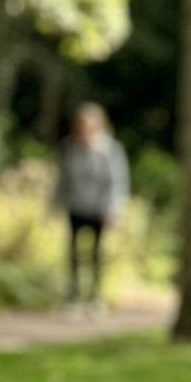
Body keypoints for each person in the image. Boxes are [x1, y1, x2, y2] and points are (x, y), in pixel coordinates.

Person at [53, 103, 128, 310]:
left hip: (99, 210)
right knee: (74, 254)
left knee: (97, 255)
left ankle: (96, 297)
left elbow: (116, 181)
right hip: (76, 206)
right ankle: (73, 297)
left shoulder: (110, 149)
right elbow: (62, 180)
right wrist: (54, 205)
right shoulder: (70, 148)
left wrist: (113, 209)